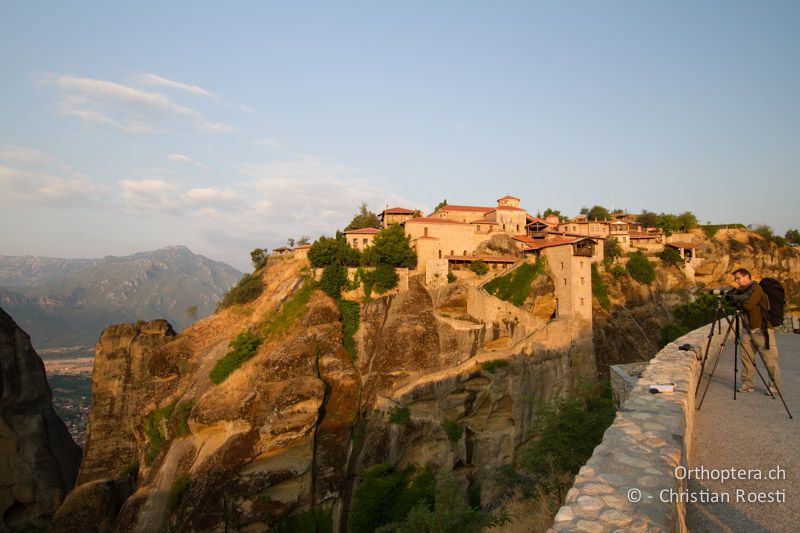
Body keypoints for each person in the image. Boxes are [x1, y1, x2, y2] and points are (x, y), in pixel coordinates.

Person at [732, 268, 781, 394]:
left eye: (738, 278)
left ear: (746, 276)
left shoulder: (756, 288)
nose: (736, 281)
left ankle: (774, 386)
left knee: (769, 359)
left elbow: (748, 305)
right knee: (747, 359)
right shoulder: (742, 291)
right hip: (747, 329)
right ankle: (748, 383)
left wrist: (737, 299)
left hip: (762, 329)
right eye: (735, 279)